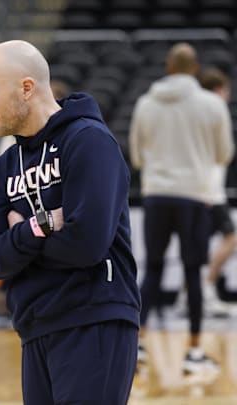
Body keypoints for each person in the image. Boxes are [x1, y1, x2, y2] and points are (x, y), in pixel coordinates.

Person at [0, 40, 140, 404]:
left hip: (93, 318)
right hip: (35, 325)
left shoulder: (88, 141)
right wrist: (41, 225)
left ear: (26, 88)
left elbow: (86, 245)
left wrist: (19, 242)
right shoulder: (6, 165)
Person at [129, 43, 233, 375]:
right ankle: (194, 352)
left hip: (157, 195)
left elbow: (136, 156)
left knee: (153, 271)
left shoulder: (145, 103)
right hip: (194, 197)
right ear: (195, 68)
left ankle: (138, 343)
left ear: (167, 66)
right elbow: (224, 154)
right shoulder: (211, 105)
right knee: (193, 273)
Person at [199, 67, 235, 317]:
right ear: (221, 89)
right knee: (231, 238)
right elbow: (224, 152)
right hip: (210, 191)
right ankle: (205, 289)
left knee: (198, 248)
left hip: (201, 189)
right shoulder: (216, 108)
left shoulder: (196, 111)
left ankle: (194, 293)